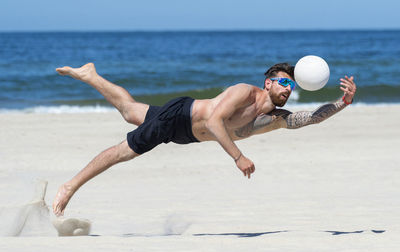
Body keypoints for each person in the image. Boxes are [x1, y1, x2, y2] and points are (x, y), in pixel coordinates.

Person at [53, 62, 357, 216]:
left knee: (131, 111)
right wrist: (238, 157)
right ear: (268, 82)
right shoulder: (245, 92)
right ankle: (69, 187)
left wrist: (342, 103)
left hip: (188, 136)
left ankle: (90, 75)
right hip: (180, 115)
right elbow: (213, 120)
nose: (288, 87)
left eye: (291, 84)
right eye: (283, 81)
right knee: (126, 151)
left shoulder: (275, 119)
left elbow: (313, 118)